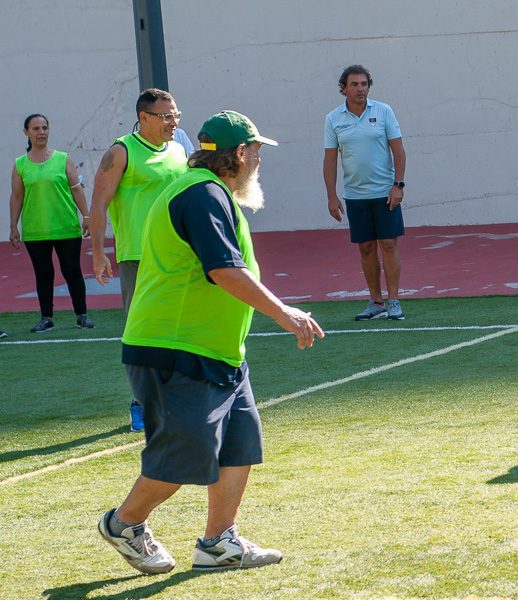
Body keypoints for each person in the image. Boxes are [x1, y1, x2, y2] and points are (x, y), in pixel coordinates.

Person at [98, 110, 325, 574]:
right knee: (185, 455)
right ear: (238, 154)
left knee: (239, 443)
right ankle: (124, 523)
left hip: (215, 350)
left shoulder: (205, 190)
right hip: (176, 348)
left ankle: (218, 542)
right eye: (256, 152)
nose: (258, 161)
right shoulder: (202, 194)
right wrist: (285, 313)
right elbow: (223, 269)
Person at [88, 88, 188, 430]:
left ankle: (171, 398)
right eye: (166, 116)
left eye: (175, 115)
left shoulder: (178, 151)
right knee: (142, 333)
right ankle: (141, 402)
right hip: (139, 259)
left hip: (179, 258)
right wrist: (99, 252)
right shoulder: (121, 152)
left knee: (178, 330)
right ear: (144, 117)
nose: (173, 122)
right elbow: (98, 204)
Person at [323, 64, 408, 320]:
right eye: (354, 84)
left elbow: (399, 150)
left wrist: (398, 185)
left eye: (364, 84)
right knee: (367, 248)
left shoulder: (383, 111)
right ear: (343, 89)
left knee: (388, 245)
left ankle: (394, 301)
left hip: (385, 193)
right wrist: (332, 196)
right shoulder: (333, 119)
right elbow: (329, 160)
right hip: (355, 195)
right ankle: (376, 302)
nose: (360, 89)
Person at [9, 114, 95, 332]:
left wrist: (86, 216)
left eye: (45, 128)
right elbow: (17, 197)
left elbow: (77, 188)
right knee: (44, 274)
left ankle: (82, 315)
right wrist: (13, 226)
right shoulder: (20, 164)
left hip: (66, 227)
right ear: (26, 132)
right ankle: (46, 317)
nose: (41, 132)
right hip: (36, 230)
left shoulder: (62, 158)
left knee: (72, 271)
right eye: (36, 128)